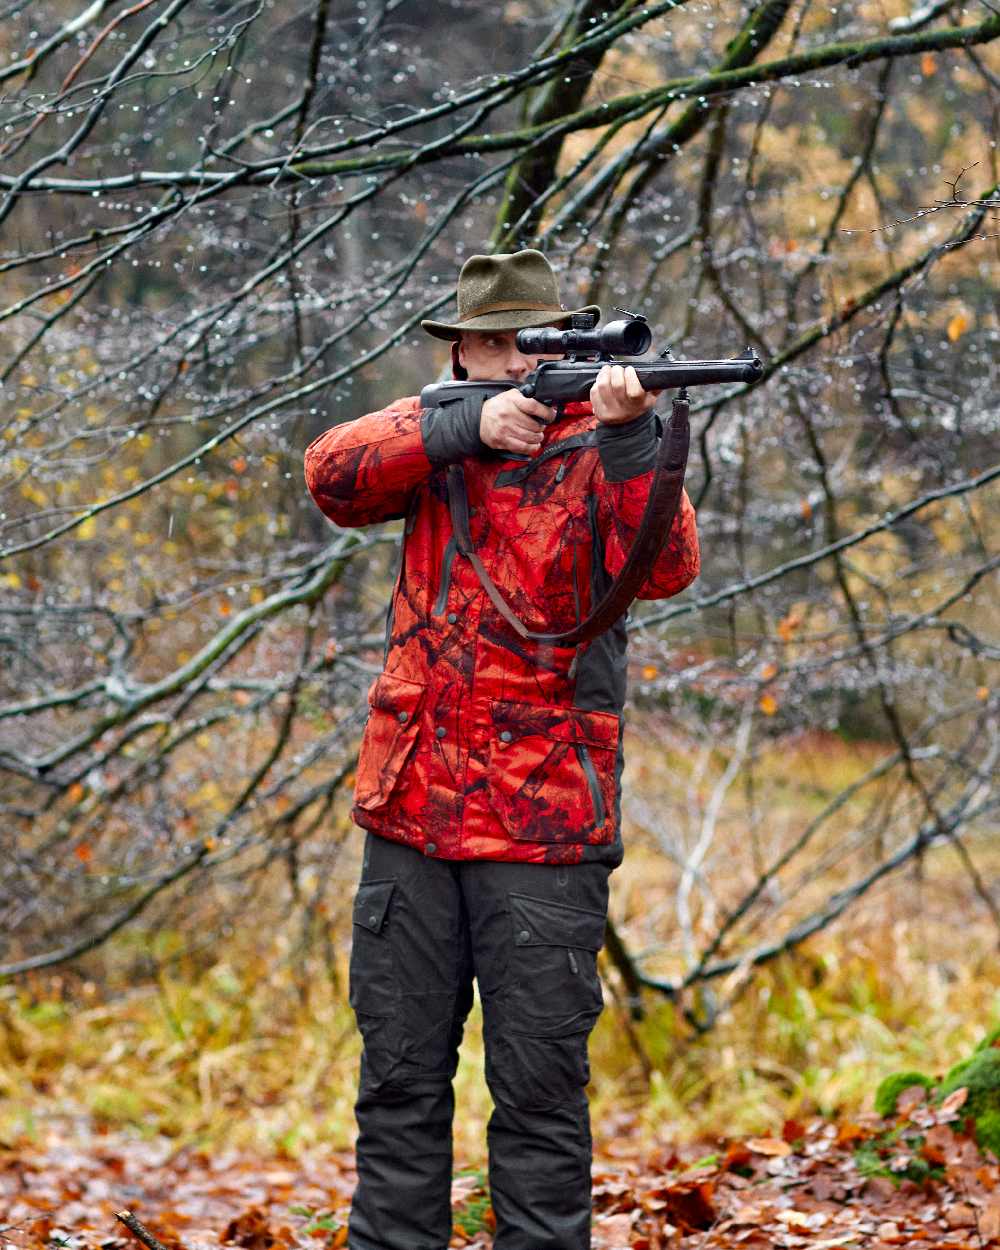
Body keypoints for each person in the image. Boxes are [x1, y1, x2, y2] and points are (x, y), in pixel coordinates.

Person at [303, 249, 700, 1250]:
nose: (510, 358)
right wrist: (463, 426)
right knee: (395, 1086)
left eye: (527, 340)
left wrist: (628, 437)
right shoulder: (438, 436)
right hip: (410, 820)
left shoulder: (601, 446)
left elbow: (667, 567)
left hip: (543, 828)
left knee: (537, 1102)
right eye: (489, 343)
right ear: (467, 351)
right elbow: (329, 472)